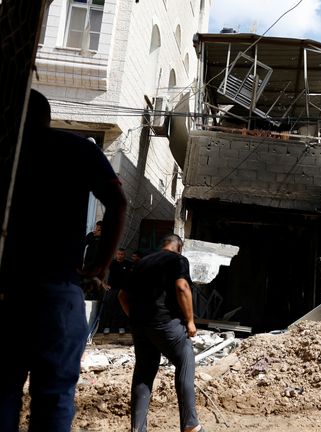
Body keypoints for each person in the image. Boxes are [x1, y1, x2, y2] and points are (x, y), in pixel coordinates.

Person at [0, 89, 127, 431]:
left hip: (7, 290)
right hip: (57, 291)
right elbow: (118, 202)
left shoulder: (7, 147)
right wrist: (99, 266)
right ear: (47, 116)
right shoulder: (77, 149)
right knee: (54, 396)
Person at [118, 234, 204, 432]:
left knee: (144, 372)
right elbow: (182, 287)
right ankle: (190, 424)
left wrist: (135, 317)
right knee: (185, 360)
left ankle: (138, 429)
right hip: (166, 324)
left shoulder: (141, 263)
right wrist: (190, 322)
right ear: (179, 248)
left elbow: (122, 295)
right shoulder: (178, 260)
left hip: (140, 326)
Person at [101, 248, 132, 334]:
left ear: (124, 255)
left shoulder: (128, 264)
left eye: (121, 254)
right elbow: (102, 272)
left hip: (123, 290)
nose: (120, 256)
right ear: (116, 254)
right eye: (118, 254)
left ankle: (121, 327)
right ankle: (107, 326)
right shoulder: (111, 263)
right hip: (111, 289)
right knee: (108, 307)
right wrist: (103, 284)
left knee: (122, 308)